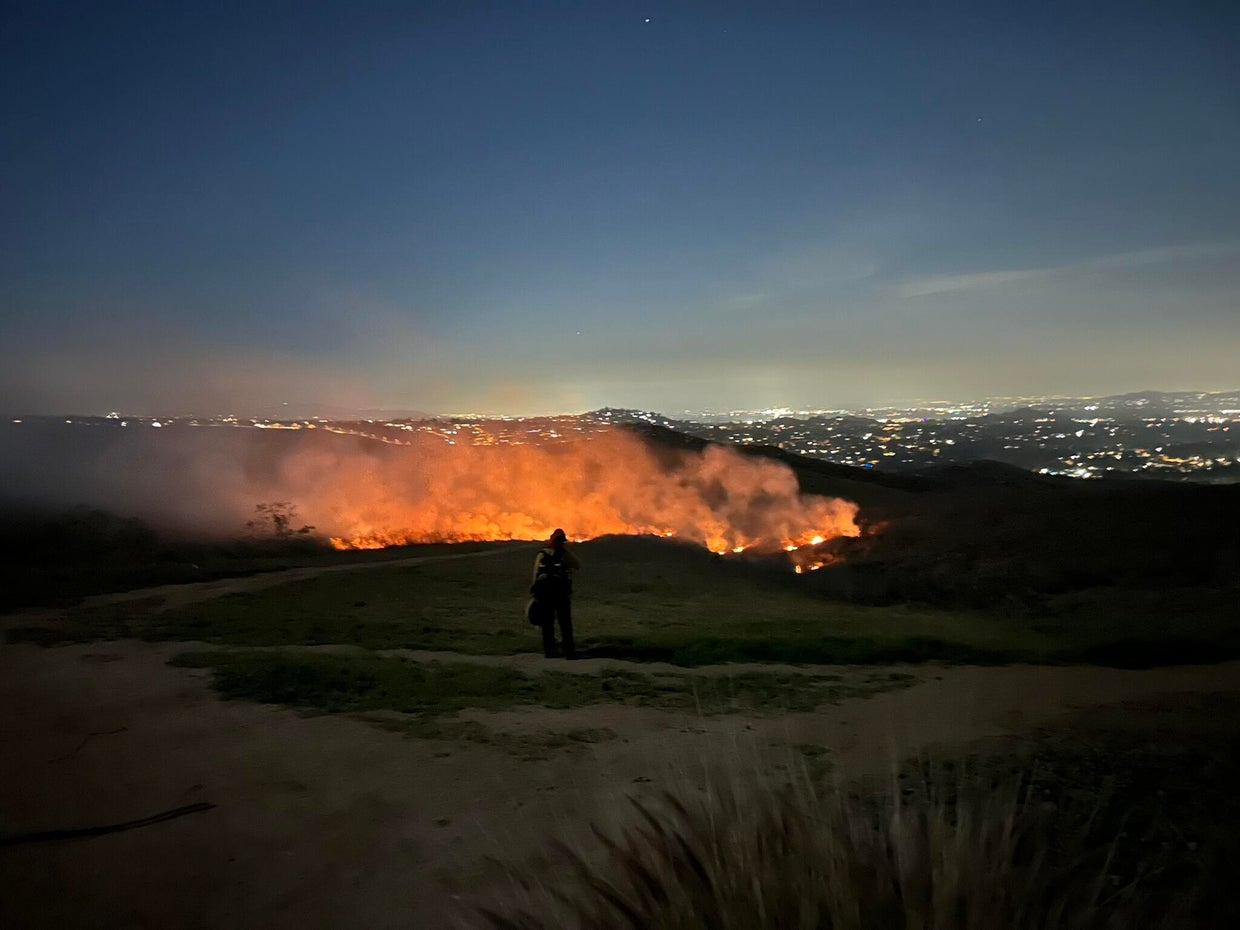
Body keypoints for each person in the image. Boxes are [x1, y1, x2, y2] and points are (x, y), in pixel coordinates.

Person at [530, 528, 580, 659]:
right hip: (560, 592)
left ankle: (550, 651)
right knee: (565, 623)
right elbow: (577, 565)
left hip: (544, 593)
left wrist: (534, 590)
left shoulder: (541, 554)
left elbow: (535, 573)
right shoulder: (564, 554)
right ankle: (569, 651)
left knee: (547, 623)